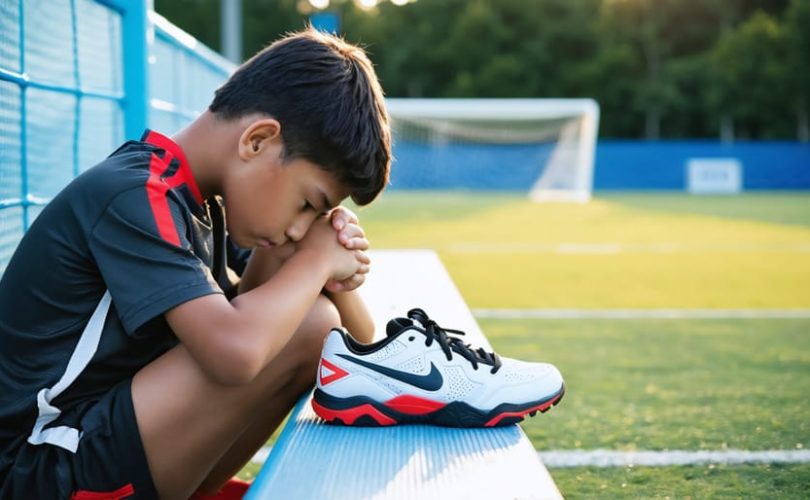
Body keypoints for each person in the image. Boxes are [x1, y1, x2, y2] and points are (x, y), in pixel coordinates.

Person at [0, 28, 390, 500]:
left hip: (86, 446)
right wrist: (314, 262)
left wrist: (329, 258)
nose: (298, 226)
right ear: (258, 141)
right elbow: (237, 353)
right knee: (307, 323)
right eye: (308, 203)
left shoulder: (212, 206)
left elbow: (355, 345)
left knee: (310, 321)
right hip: (36, 467)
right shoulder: (136, 194)